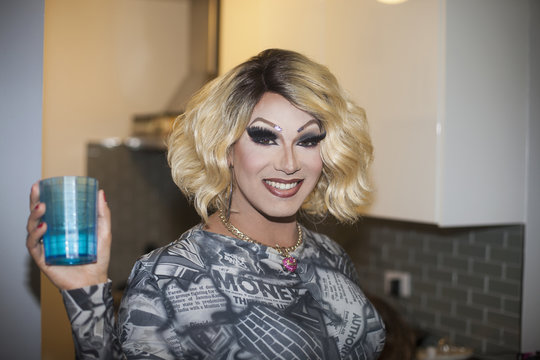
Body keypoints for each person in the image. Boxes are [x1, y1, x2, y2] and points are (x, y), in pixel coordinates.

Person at [26, 49, 386, 359]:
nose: (289, 163)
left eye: (307, 141)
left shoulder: (330, 255)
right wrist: (86, 294)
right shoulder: (166, 279)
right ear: (226, 149)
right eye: (265, 137)